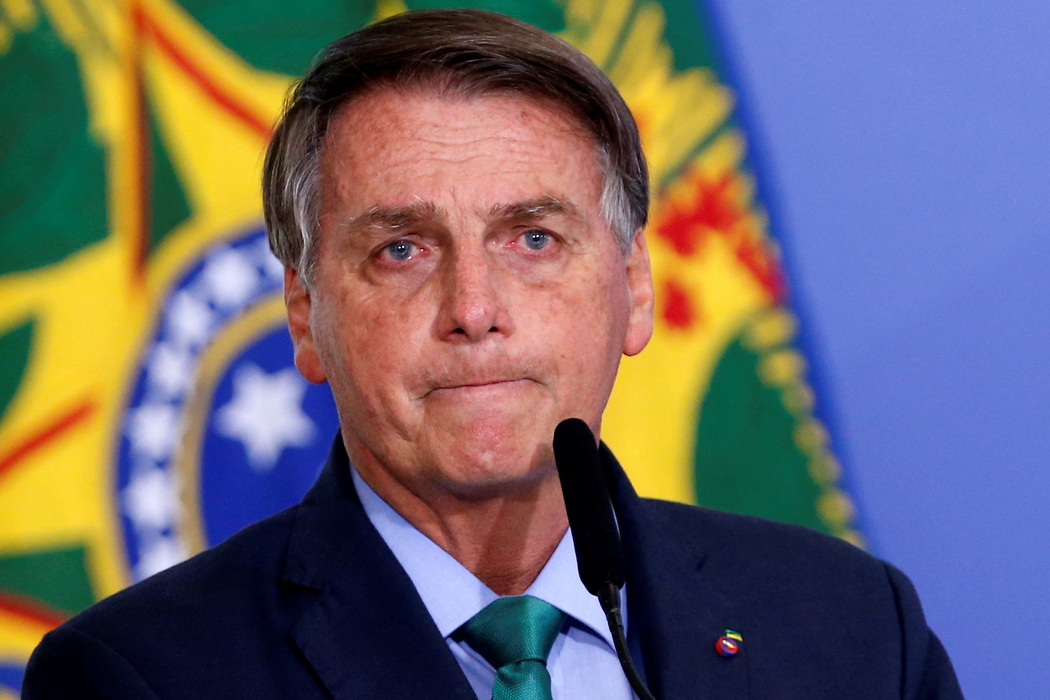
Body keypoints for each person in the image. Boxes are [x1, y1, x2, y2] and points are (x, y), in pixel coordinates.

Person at [23, 9, 963, 699]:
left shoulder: (852, 632)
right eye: (401, 250)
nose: (474, 310)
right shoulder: (142, 677)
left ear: (634, 289)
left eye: (533, 239)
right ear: (306, 316)